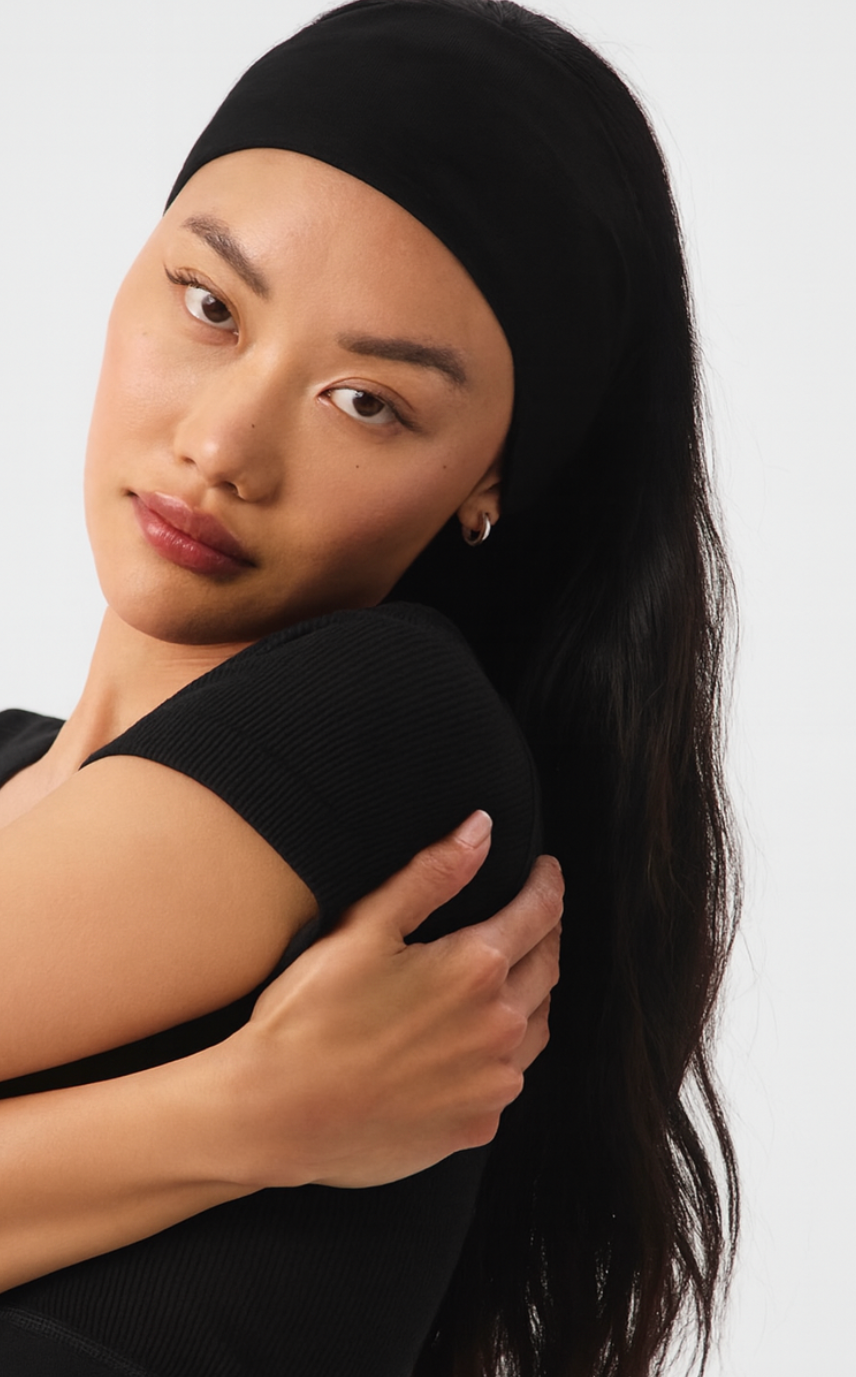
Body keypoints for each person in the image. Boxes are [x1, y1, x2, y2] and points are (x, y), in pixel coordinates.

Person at [0, 1, 740, 1375]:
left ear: (486, 482)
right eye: (209, 305)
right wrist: (240, 1114)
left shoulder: (390, 731)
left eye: (369, 400)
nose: (223, 445)